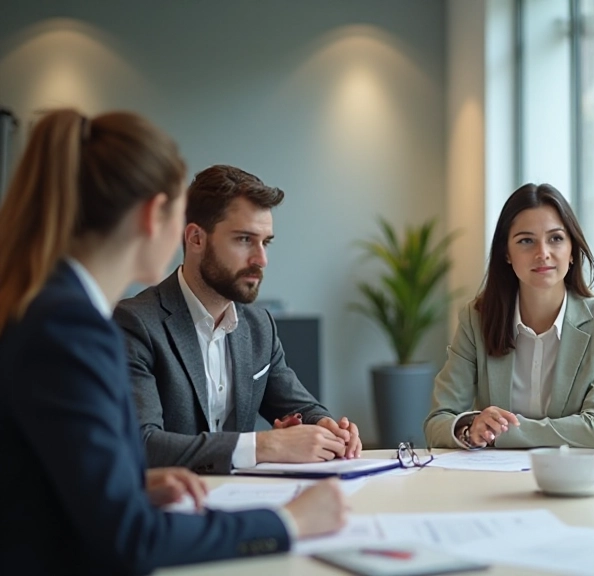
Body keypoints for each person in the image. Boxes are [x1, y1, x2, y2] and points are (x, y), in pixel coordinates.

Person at [0, 109, 346, 574]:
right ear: (155, 217)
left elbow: (45, 475)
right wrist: (287, 522)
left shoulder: (54, 309)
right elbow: (132, 538)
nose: (261, 259)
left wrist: (132, 487)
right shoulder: (73, 329)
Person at [114, 164, 361, 475]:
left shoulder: (260, 327)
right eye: (245, 239)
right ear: (196, 239)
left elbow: (301, 407)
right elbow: (143, 444)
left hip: (243, 500)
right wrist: (265, 446)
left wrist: (325, 428)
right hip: (169, 509)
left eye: (265, 242)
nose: (261, 259)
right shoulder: (135, 323)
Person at [424, 183, 594, 449]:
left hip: (576, 479)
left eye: (555, 238)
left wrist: (500, 433)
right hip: (494, 482)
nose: (543, 253)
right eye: (526, 241)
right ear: (506, 253)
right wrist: (470, 429)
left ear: (572, 250)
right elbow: (438, 422)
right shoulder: (476, 319)